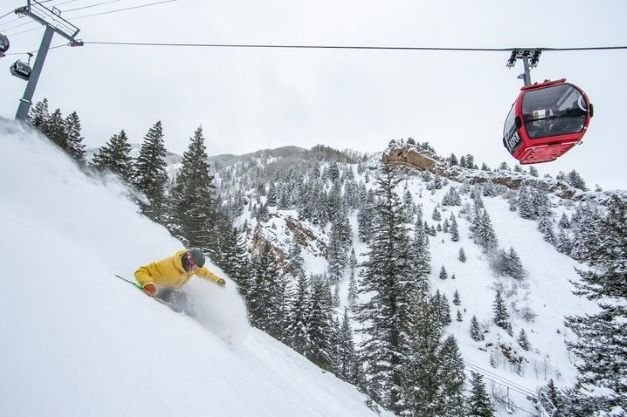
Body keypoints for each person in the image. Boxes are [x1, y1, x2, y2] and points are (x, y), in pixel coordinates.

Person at [135, 248, 226, 312]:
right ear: (188, 260)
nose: (195, 270)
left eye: (197, 268)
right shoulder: (167, 266)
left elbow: (205, 273)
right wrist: (148, 284)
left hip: (172, 289)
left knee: (192, 301)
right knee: (181, 300)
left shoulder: (191, 269)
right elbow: (141, 271)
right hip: (157, 289)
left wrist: (217, 280)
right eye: (194, 267)